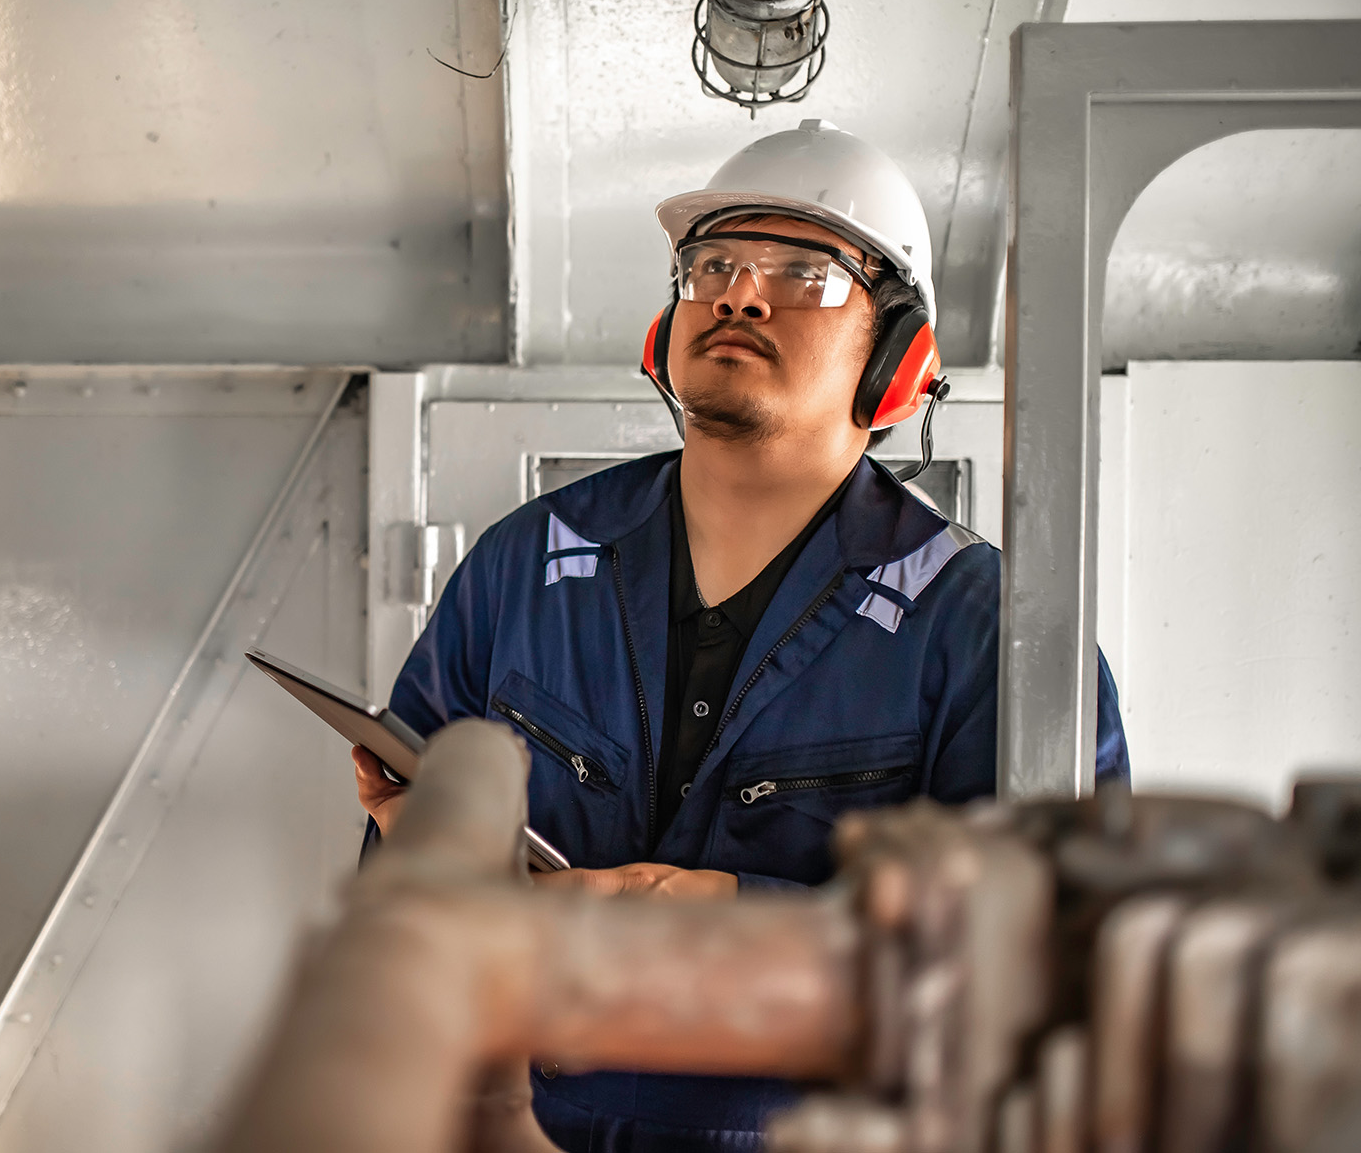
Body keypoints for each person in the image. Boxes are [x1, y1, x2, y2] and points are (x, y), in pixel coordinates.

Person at [353, 120, 1129, 1152]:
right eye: (711, 264)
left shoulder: (985, 629)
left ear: (896, 361)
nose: (739, 294)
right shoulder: (528, 561)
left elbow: (1058, 961)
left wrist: (736, 916)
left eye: (804, 274)